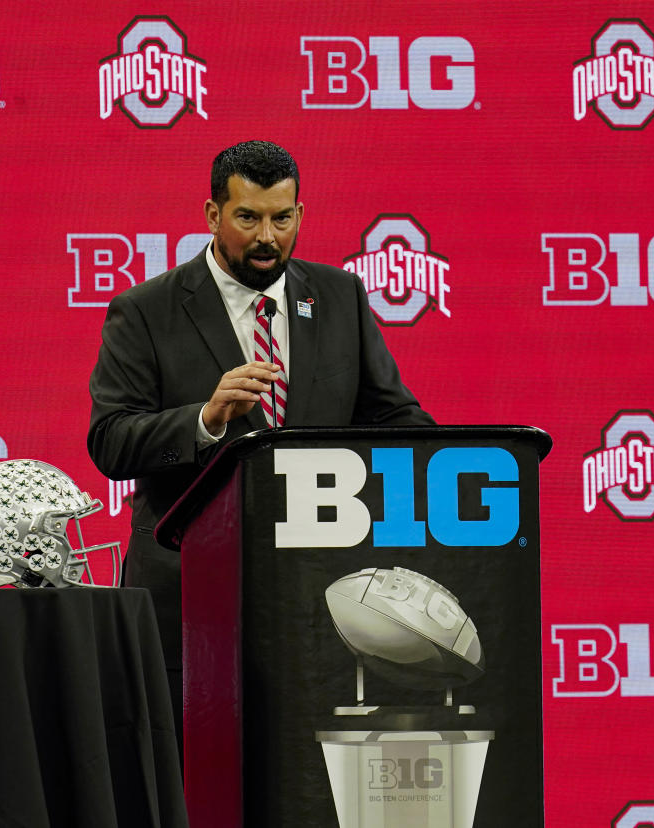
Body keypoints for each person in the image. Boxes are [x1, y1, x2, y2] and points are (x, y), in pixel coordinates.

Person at [87, 140, 434, 745]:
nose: (267, 236)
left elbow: (392, 416)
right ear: (212, 214)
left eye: (283, 218)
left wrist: (455, 458)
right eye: (248, 218)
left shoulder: (339, 298)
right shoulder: (145, 311)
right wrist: (206, 419)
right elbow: (111, 441)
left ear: (301, 213)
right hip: (191, 602)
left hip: (323, 599)